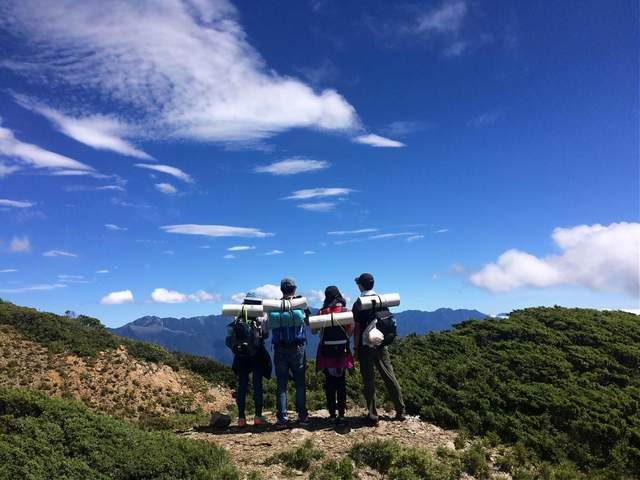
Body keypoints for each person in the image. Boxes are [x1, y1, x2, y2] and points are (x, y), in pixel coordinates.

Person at [352, 272, 405, 425]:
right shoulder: (382, 300)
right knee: (389, 376)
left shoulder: (359, 303)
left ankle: (373, 415)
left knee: (368, 381)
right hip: (381, 344)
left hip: (366, 346)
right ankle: (400, 410)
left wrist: (355, 349)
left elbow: (357, 328)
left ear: (360, 285)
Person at [225, 292, 271, 427]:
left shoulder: (238, 314)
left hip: (241, 356)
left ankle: (241, 418)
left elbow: (231, 337)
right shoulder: (261, 315)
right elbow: (266, 334)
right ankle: (257, 417)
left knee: (242, 386)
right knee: (257, 385)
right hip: (257, 354)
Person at [268, 278, 310, 426]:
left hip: (280, 349)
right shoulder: (301, 304)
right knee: (299, 383)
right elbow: (308, 322)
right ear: (294, 289)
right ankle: (302, 415)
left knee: (281, 385)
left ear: (281, 290)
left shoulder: (275, 306)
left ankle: (282, 418)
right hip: (298, 348)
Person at [313, 286, 354, 427]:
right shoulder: (346, 312)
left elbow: (314, 331)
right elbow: (350, 332)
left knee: (329, 384)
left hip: (326, 353)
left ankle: (331, 415)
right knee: (341, 384)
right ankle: (342, 416)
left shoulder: (321, 312)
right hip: (342, 353)